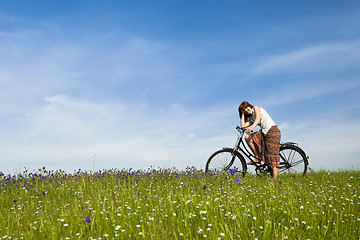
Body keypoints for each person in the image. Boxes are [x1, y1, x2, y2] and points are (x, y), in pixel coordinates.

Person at [238, 101, 281, 180]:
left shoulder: (256, 108)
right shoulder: (251, 117)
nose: (246, 110)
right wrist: (242, 114)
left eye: (246, 108)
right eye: (244, 110)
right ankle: (257, 157)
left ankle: (275, 181)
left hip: (272, 131)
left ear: (249, 106)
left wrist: (251, 128)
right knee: (248, 138)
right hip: (264, 133)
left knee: (272, 155)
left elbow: (258, 119)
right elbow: (243, 125)